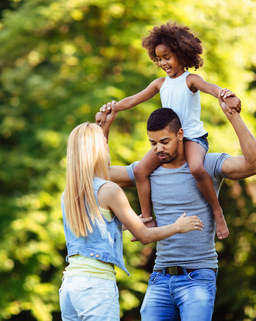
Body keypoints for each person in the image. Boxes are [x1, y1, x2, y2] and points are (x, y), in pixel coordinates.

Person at [95, 98, 256, 320]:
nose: (159, 149)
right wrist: (104, 128)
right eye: (153, 143)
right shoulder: (145, 171)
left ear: (180, 135)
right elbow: (99, 173)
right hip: (159, 277)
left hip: (198, 277)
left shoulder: (206, 164)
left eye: (164, 141)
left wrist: (233, 116)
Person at [101, 22, 241, 239]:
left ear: (182, 54)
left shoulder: (190, 79)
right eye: (159, 59)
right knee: (139, 171)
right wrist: (113, 107)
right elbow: (134, 99)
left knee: (196, 168)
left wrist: (224, 94)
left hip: (193, 138)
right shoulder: (160, 83)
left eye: (167, 57)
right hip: (170, 141)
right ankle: (147, 218)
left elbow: (211, 89)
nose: (163, 63)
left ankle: (217, 211)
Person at [59, 121, 205, 321]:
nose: (107, 146)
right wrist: (177, 227)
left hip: (69, 287)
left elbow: (95, 229)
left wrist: (129, 223)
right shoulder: (108, 190)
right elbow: (144, 236)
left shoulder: (68, 194)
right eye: (104, 142)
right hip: (96, 287)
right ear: (98, 149)